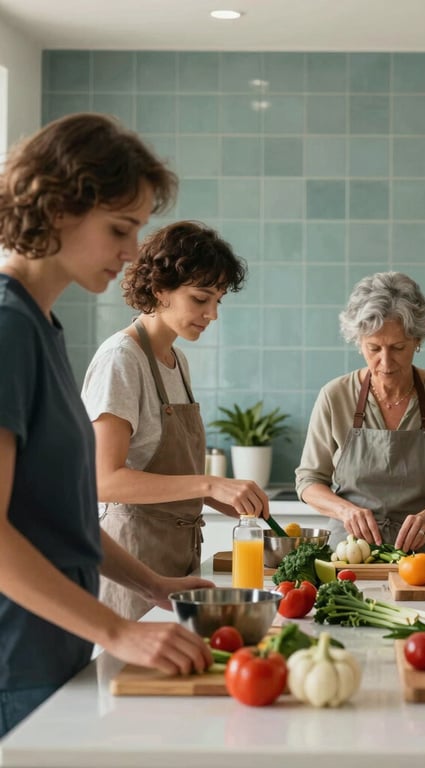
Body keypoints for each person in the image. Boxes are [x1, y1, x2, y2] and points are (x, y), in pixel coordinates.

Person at [0, 113, 214, 738]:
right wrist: (117, 630)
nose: (131, 253)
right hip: (17, 662)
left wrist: (151, 585)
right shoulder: (9, 329)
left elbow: (58, 516)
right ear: (58, 208)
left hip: (54, 650)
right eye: (121, 229)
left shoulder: (42, 327)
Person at [81, 221, 271, 620]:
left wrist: (221, 497)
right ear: (159, 289)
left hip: (179, 558)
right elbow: (103, 481)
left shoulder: (176, 361)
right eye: (201, 299)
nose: (212, 314)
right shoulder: (122, 359)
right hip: (132, 563)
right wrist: (209, 482)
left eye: (218, 300)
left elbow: (162, 467)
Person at [296, 271, 425, 553]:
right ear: (359, 343)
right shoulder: (334, 396)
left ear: (417, 341)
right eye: (373, 348)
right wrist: (346, 511)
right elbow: (308, 481)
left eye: (398, 347)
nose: (385, 362)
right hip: (349, 555)